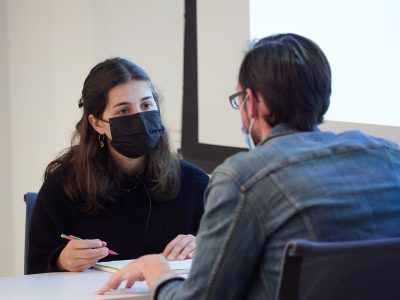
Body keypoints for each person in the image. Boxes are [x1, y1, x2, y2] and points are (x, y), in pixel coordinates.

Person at [97, 33, 400, 299]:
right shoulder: (390, 156)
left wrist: (157, 271)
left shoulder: (242, 178)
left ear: (252, 102)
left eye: (239, 99)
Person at [27, 57, 209, 274]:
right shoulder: (62, 188)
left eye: (146, 105)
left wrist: (204, 246)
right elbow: (35, 271)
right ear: (97, 124)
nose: (140, 118)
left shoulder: (194, 184)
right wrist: (61, 261)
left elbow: (227, 261)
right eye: (123, 110)